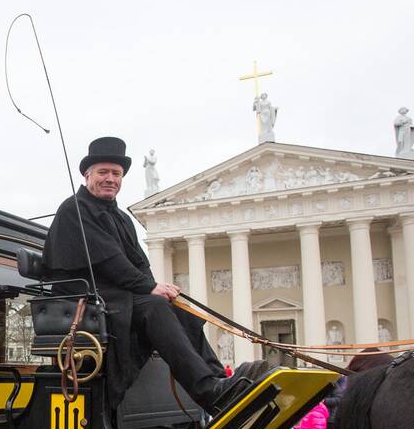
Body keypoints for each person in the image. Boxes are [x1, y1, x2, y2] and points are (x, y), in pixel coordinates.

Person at [42, 136, 270, 414]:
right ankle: (208, 393)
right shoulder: (74, 209)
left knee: (182, 309)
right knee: (156, 307)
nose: (110, 178)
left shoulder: (121, 218)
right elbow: (110, 260)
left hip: (120, 297)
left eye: (116, 173)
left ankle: (219, 380)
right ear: (87, 174)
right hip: (89, 299)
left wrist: (156, 286)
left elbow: (139, 262)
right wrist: (149, 288)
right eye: (103, 172)